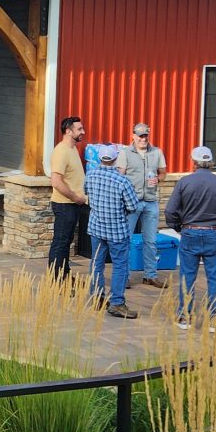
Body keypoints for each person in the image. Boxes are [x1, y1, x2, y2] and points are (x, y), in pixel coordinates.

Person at [164, 145, 216, 328]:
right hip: (214, 232)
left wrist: (178, 228)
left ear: (194, 162)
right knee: (215, 278)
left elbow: (169, 211)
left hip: (190, 232)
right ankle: (214, 320)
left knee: (187, 276)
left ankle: (185, 317)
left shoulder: (184, 182)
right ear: (211, 162)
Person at [86, 145, 140, 318]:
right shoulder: (122, 181)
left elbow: (86, 193)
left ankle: (96, 298)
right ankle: (117, 303)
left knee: (96, 264)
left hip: (96, 227)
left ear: (100, 159)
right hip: (117, 230)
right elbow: (133, 206)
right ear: (115, 159)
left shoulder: (91, 175)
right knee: (120, 266)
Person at [117, 122, 167, 288]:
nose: (142, 139)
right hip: (132, 202)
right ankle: (124, 277)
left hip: (151, 201)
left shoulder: (157, 152)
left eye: (145, 135)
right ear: (133, 136)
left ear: (148, 135)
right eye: (139, 135)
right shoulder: (125, 153)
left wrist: (158, 179)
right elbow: (120, 176)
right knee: (126, 240)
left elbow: (163, 173)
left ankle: (150, 275)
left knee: (151, 241)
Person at [47, 116, 90, 279]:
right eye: (79, 129)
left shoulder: (72, 149)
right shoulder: (61, 152)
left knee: (66, 242)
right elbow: (56, 182)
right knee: (60, 242)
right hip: (65, 204)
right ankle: (57, 279)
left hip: (72, 204)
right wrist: (75, 197)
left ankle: (64, 273)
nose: (83, 132)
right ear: (68, 131)